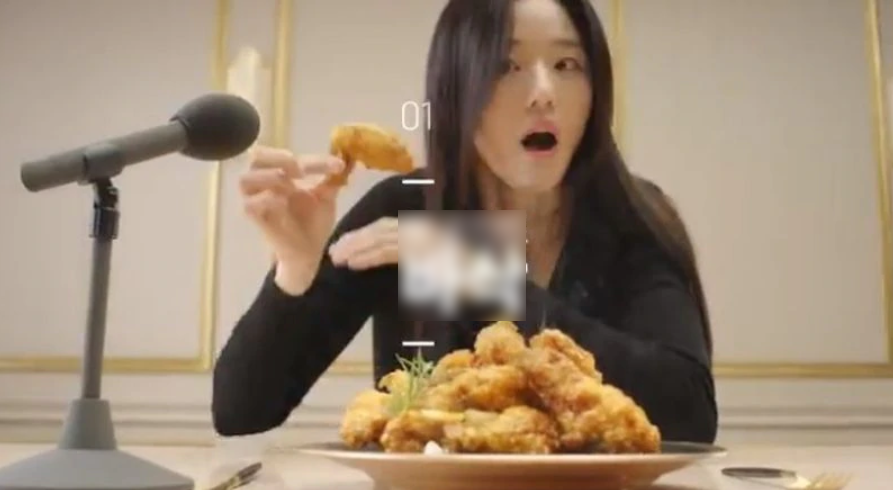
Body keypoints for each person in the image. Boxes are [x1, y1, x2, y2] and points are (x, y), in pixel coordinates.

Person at [212, 0, 718, 444]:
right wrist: (295, 270)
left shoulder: (631, 214)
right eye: (507, 66)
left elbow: (690, 416)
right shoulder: (410, 209)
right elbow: (240, 412)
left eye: (566, 64)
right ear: (458, 92)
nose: (543, 92)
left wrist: (483, 280)